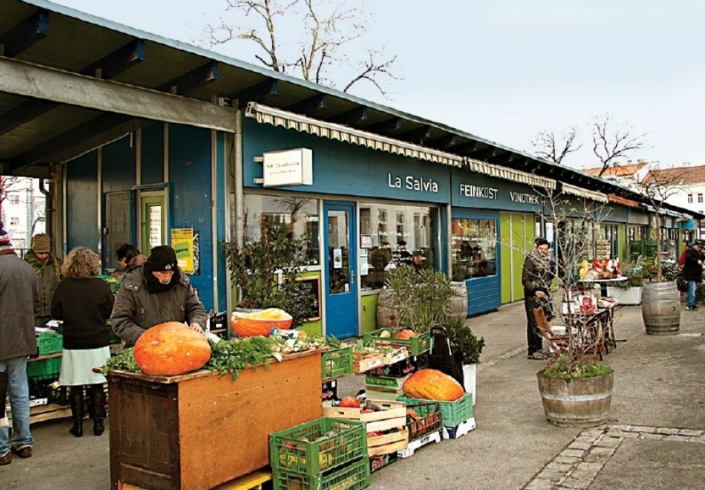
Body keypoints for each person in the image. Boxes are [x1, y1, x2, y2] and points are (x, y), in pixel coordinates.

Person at [51, 247, 115, 437]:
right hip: (97, 341)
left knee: (75, 385)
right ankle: (98, 425)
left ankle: (77, 426)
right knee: (97, 384)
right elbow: (110, 311)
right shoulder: (101, 286)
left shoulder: (64, 286)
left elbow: (56, 312)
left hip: (73, 342)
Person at [110, 245, 207, 347]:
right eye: (162, 273)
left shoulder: (181, 282)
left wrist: (197, 323)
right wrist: (146, 337)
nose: (167, 277)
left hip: (176, 348)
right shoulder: (132, 284)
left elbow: (195, 308)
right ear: (152, 269)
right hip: (142, 348)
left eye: (170, 273)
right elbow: (120, 321)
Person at [0, 222, 38, 464]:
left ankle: (2, 447)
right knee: (20, 392)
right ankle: (23, 441)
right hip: (22, 339)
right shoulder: (26, 268)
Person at [522, 237, 554, 360]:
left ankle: (539, 348)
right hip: (533, 296)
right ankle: (533, 350)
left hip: (544, 294)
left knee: (542, 323)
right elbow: (525, 279)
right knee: (534, 323)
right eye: (541, 249)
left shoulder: (547, 259)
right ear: (536, 247)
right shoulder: (531, 259)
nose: (543, 251)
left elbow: (548, 276)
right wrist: (535, 291)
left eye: (545, 249)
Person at [24, 233, 62, 327]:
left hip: (53, 313)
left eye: (46, 252)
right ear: (33, 251)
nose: (44, 256)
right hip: (33, 313)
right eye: (40, 253)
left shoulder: (57, 264)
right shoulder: (25, 266)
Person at [683, 240, 703, 311]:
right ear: (696, 246)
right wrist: (697, 261)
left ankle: (692, 303)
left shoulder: (698, 252)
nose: (700, 249)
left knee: (693, 290)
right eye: (700, 247)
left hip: (695, 274)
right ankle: (690, 304)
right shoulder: (690, 251)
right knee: (692, 289)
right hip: (691, 274)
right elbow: (688, 258)